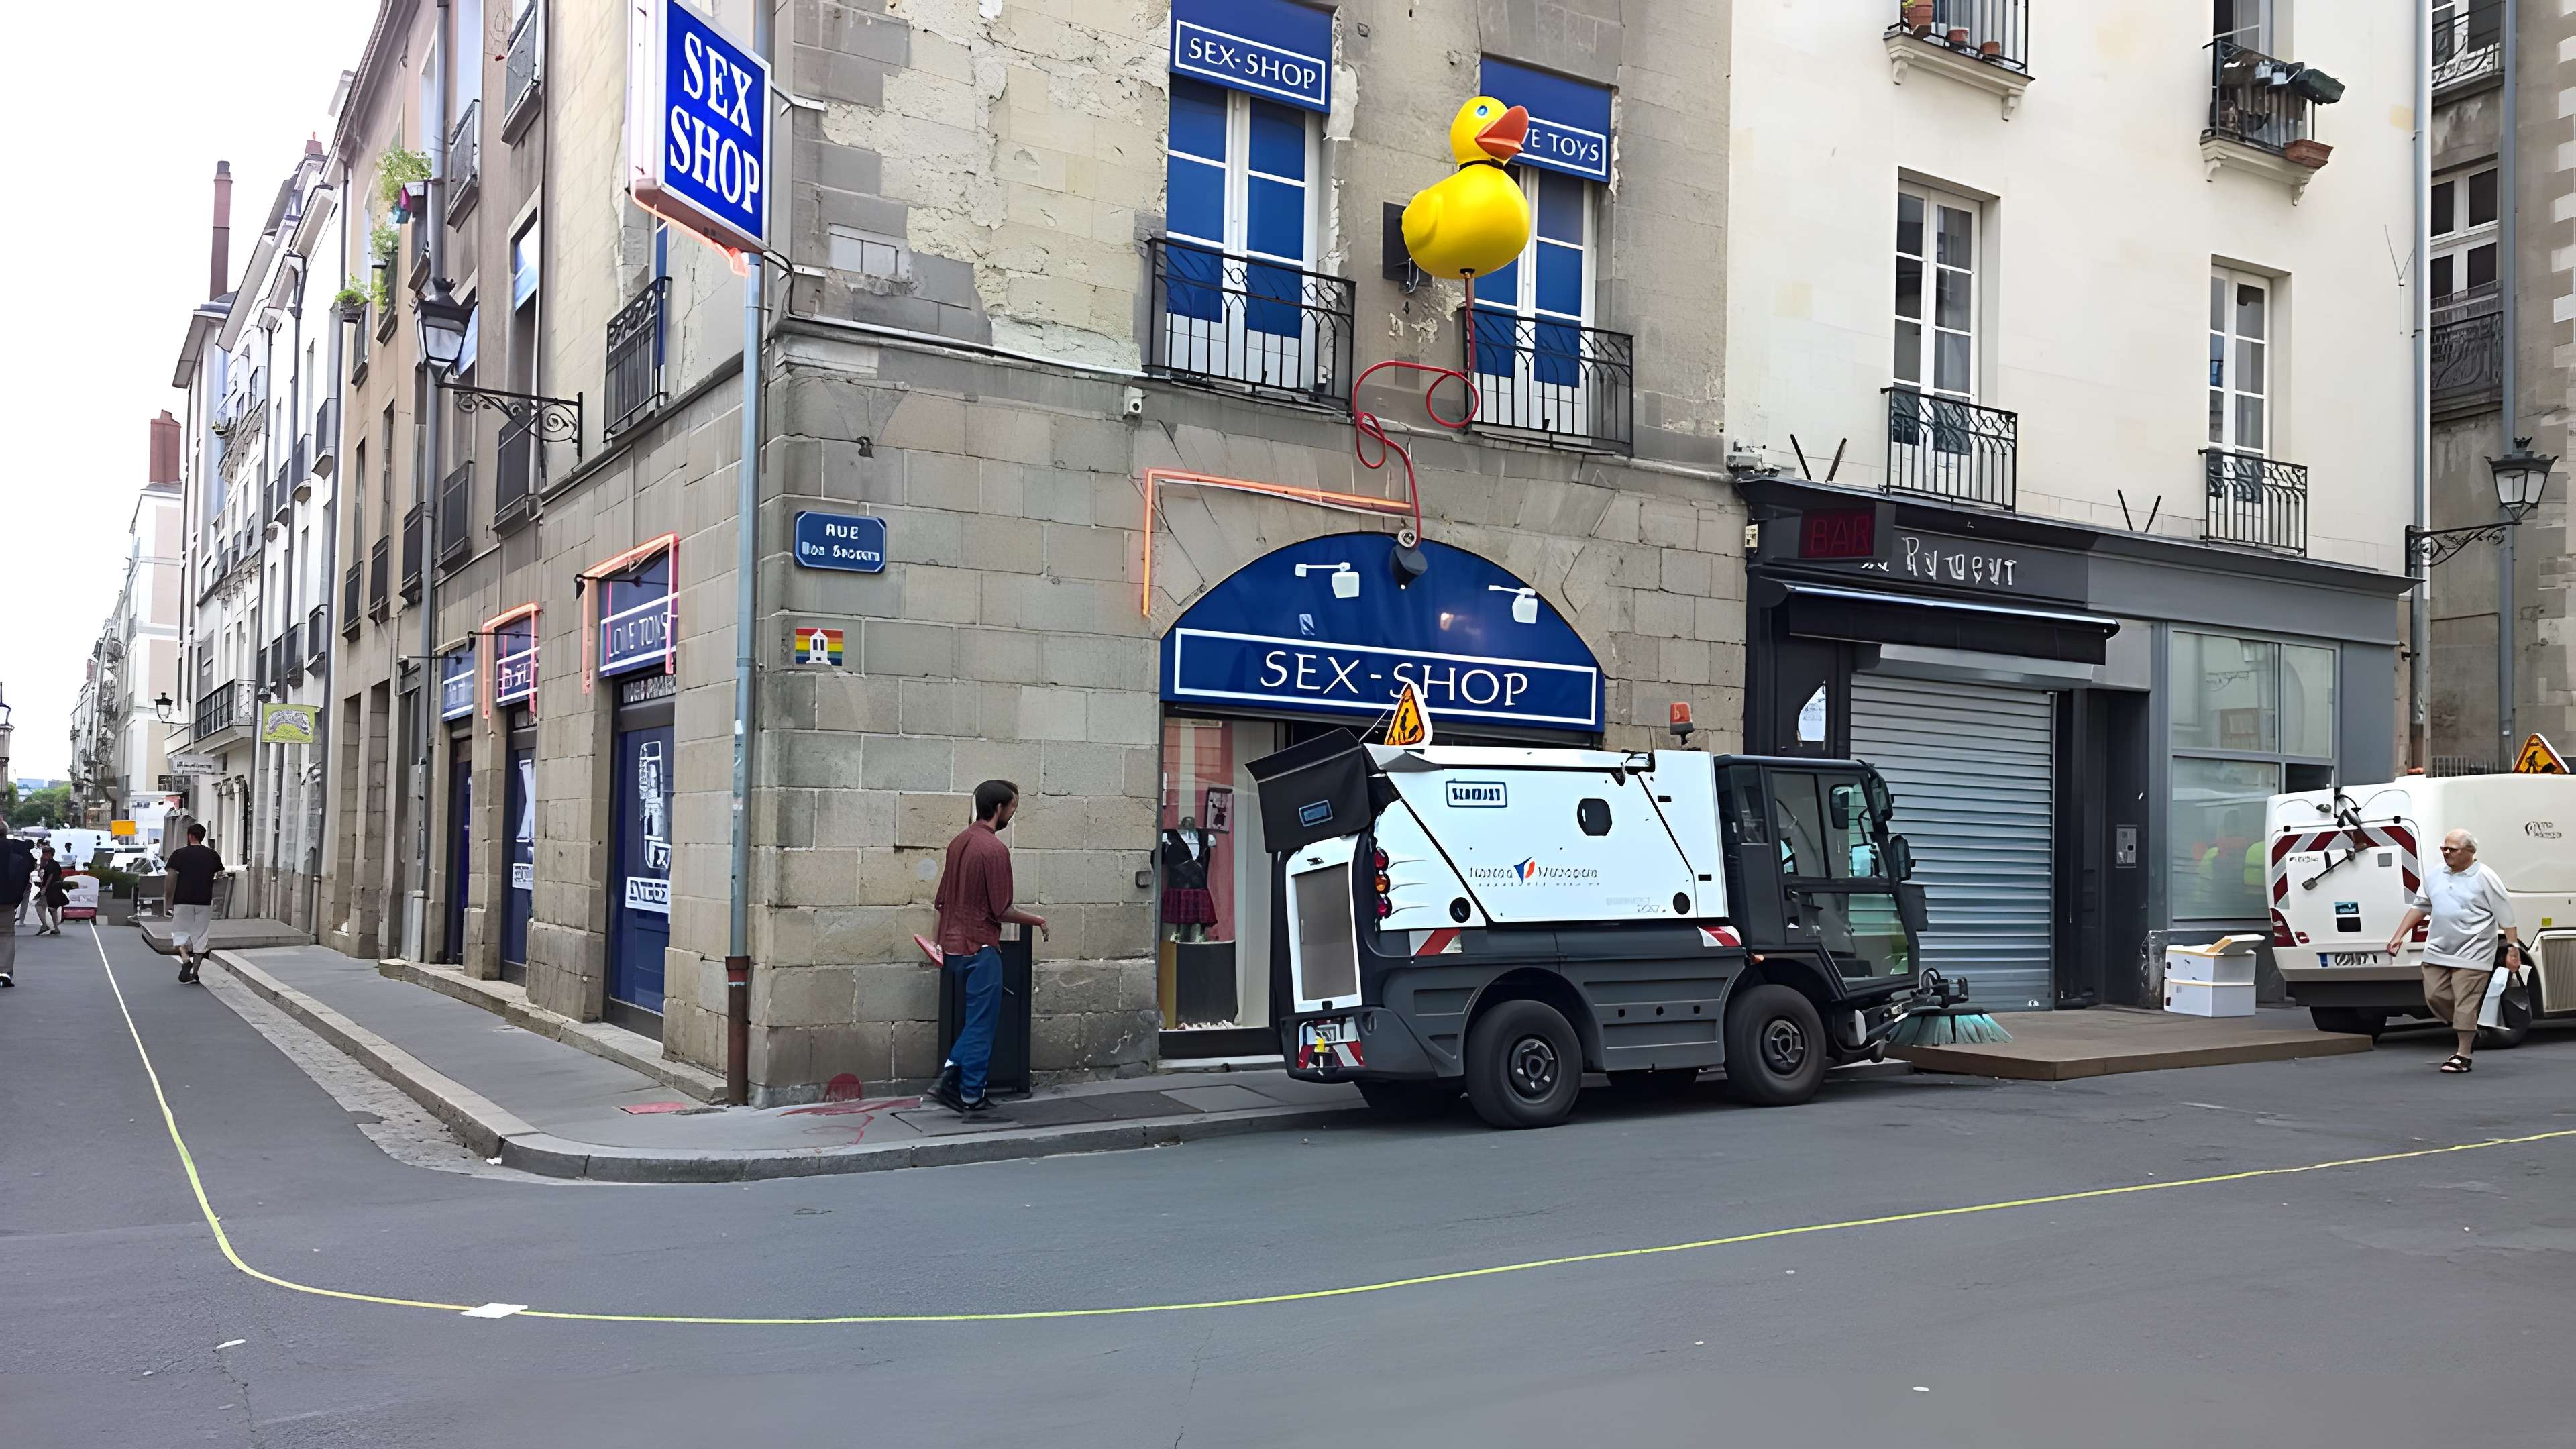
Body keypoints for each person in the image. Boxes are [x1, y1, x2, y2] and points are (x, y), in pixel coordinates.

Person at [927, 780, 1046, 1114]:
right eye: (1013, 808)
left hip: (953, 950)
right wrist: (1038, 920)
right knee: (982, 1025)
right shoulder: (994, 849)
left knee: (974, 1023)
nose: (1013, 814)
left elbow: (941, 901)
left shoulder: (958, 842)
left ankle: (953, 1081)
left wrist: (936, 944)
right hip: (981, 949)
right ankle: (968, 1092)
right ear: (999, 808)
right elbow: (1002, 910)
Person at [2386, 828, 2522, 1074]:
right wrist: (2398, 936)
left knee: (2465, 1002)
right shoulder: (2436, 874)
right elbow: (2421, 906)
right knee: (2436, 996)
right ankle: (2469, 1027)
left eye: (2453, 849)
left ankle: (2463, 1054)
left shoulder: (2485, 876)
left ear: (2470, 852)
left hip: (2474, 951)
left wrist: (2513, 948)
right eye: (2444, 848)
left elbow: (2506, 915)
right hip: (2438, 949)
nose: (2446, 853)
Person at [165, 824, 226, 985]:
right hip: (204, 901)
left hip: (182, 900)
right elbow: (221, 878)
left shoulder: (179, 854)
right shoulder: (213, 855)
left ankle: (186, 960)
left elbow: (171, 878)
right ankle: (194, 973)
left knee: (180, 934)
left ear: (190, 835)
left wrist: (168, 901)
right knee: (201, 937)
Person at [0, 835, 30, 988]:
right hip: (7, 901)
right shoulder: (16, 849)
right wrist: (16, 900)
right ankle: (4, 972)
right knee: (6, 936)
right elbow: (23, 875)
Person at [35, 846, 66, 936]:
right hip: (54, 888)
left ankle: (46, 926)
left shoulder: (52, 865)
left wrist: (45, 887)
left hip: (51, 889)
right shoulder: (52, 864)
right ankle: (55, 928)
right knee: (52, 909)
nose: (43, 855)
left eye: (44, 854)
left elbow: (50, 876)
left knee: (40, 906)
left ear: (49, 854)